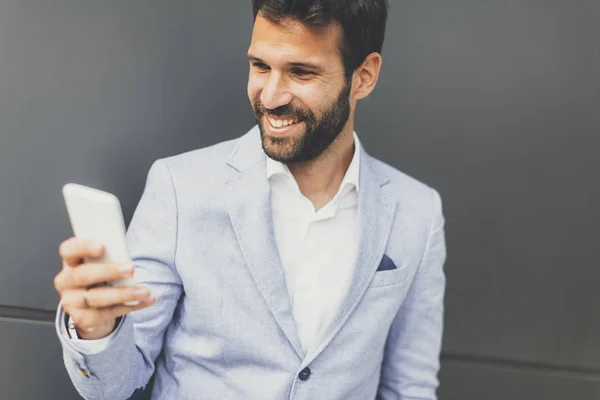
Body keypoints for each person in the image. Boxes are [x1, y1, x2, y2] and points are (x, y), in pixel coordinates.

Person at [53, 1, 446, 399]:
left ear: (363, 76)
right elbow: (113, 385)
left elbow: (409, 387)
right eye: (260, 66)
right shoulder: (179, 189)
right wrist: (98, 330)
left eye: (300, 72)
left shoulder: (418, 212)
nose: (271, 96)